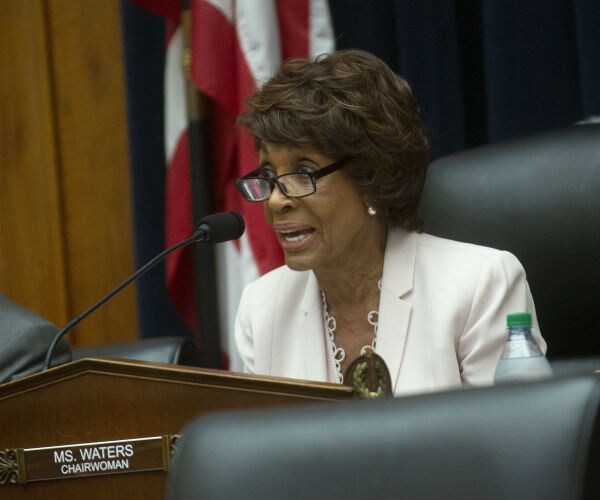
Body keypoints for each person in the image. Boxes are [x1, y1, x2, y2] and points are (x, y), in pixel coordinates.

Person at [233, 49, 545, 396]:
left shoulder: (480, 285)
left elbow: (510, 439)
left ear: (371, 180)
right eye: (268, 175)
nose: (277, 200)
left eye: (304, 172)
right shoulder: (262, 310)